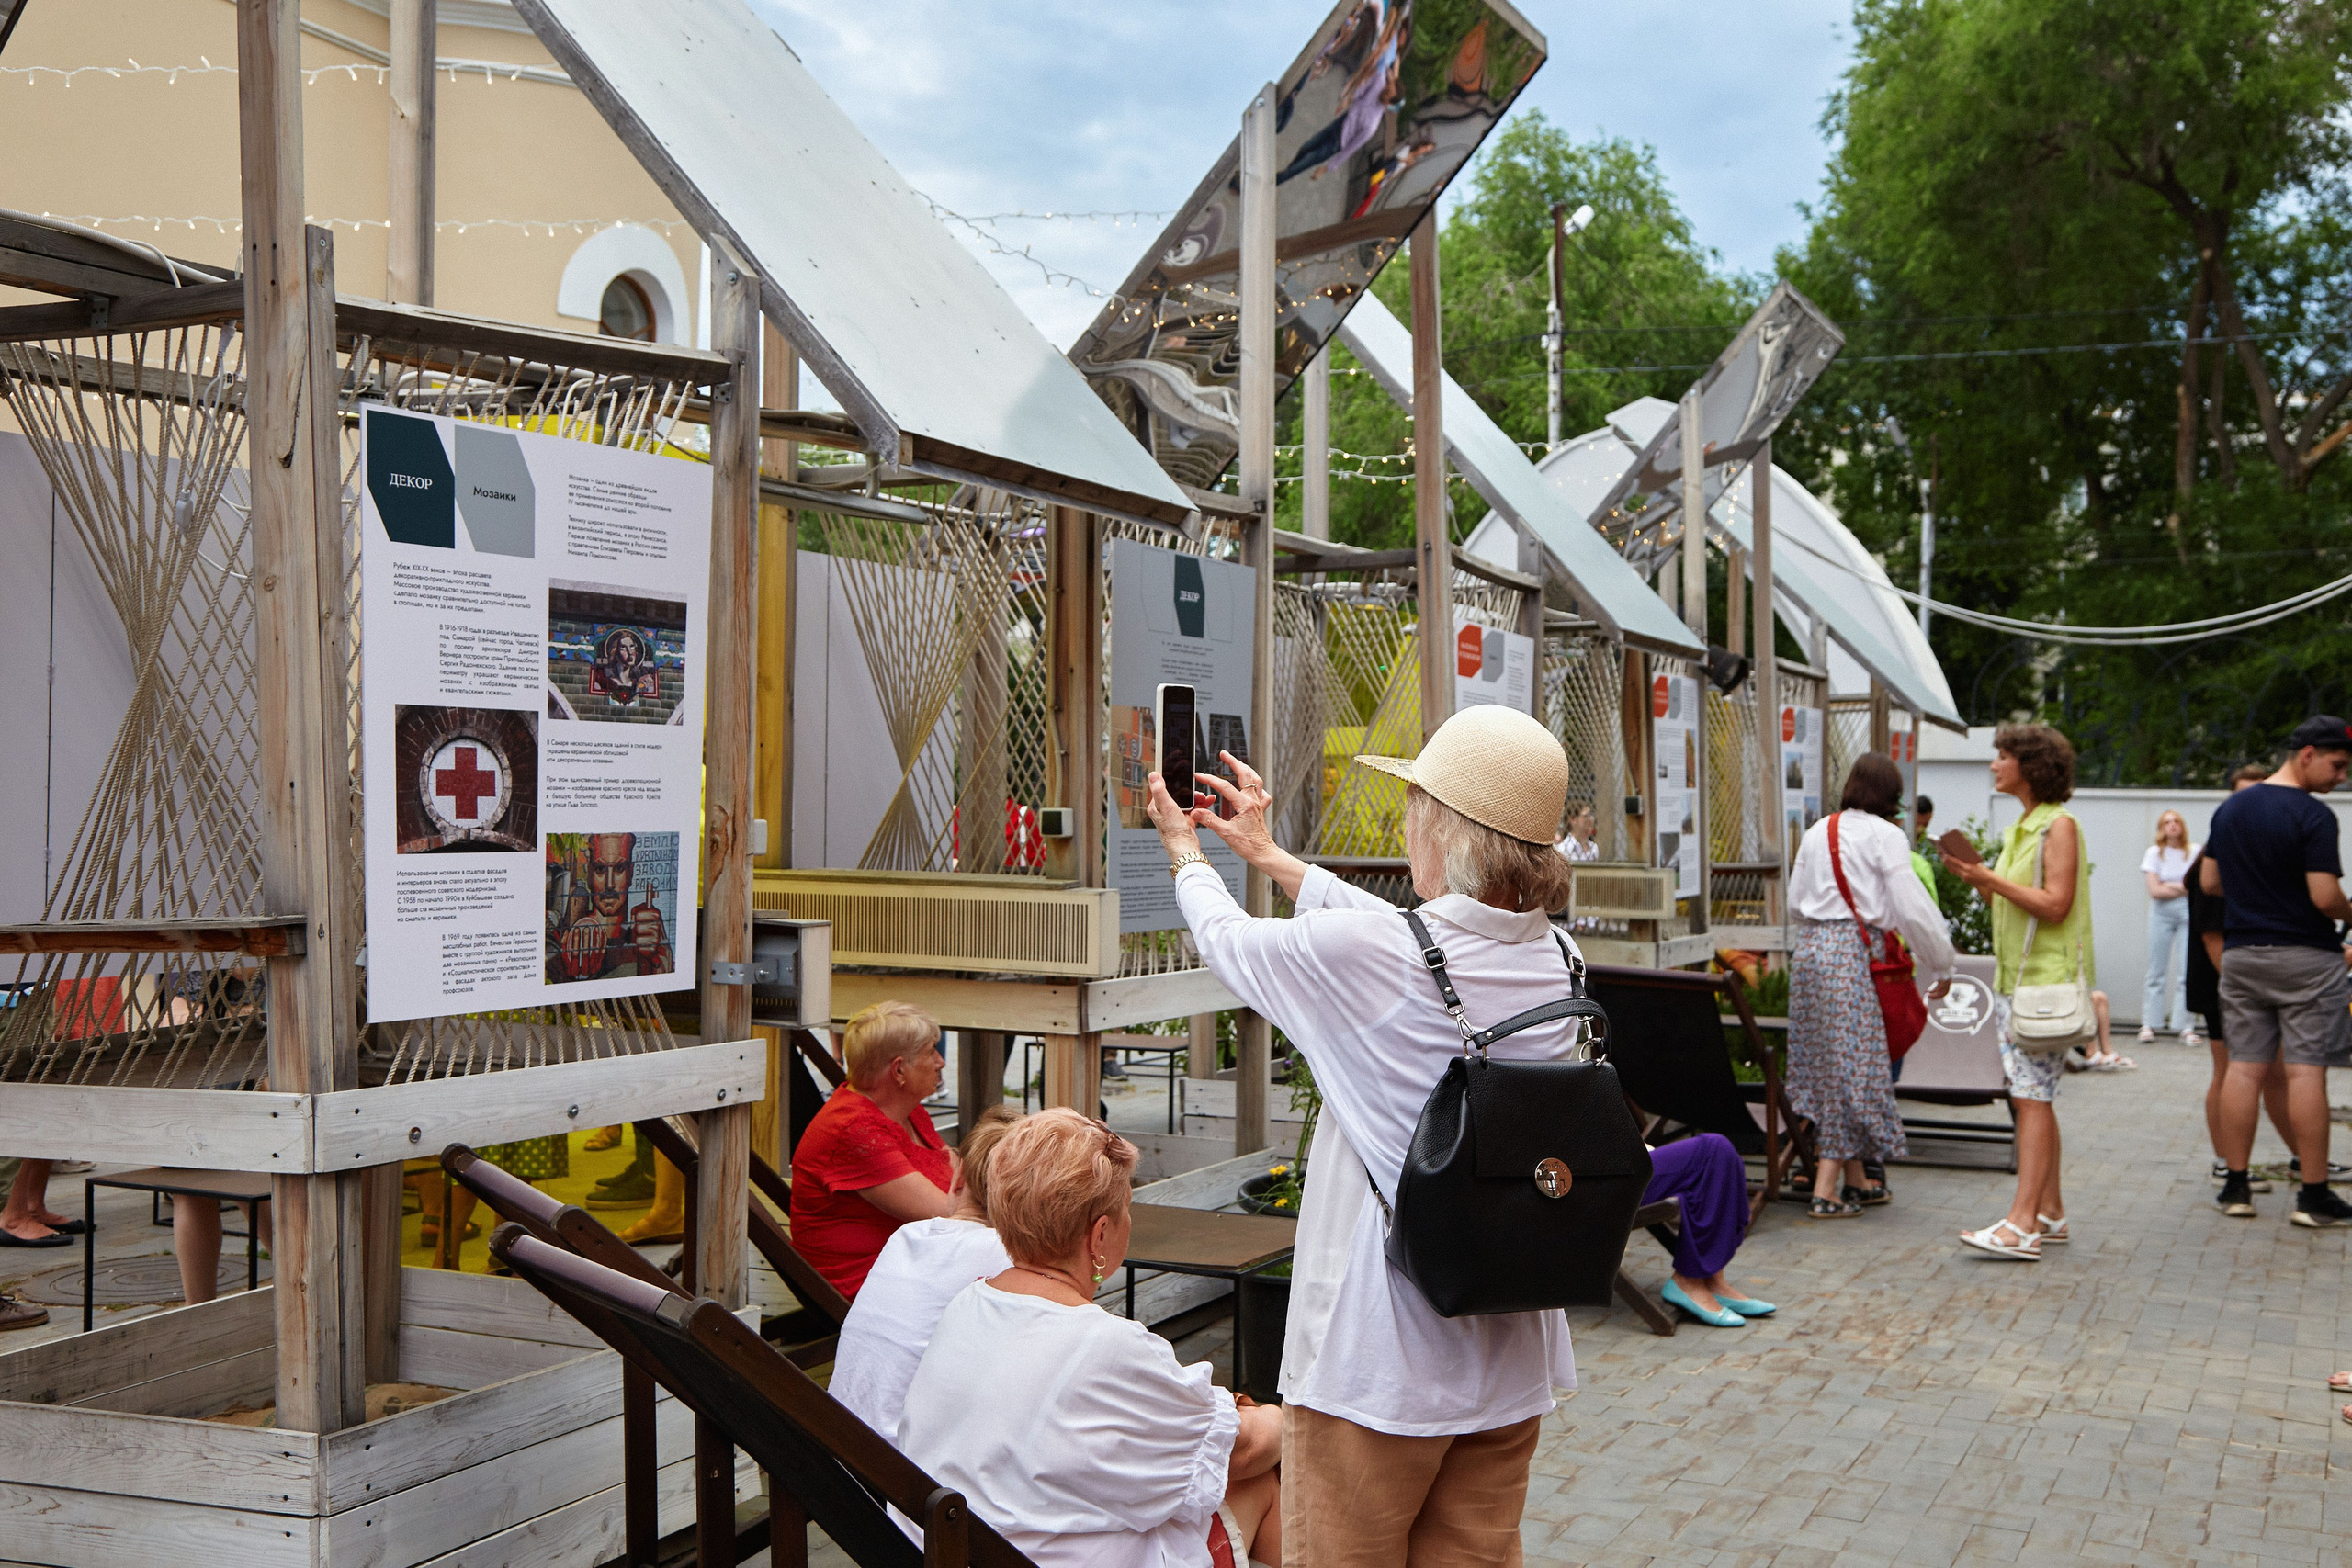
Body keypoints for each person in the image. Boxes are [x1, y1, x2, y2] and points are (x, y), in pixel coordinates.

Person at [1147, 705, 1595, 1563]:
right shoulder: (1559, 959)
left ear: (1445, 832)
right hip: (1509, 1351)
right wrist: (1270, 856)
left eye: (1415, 809)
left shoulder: (1376, 959)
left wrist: (1184, 849)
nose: (1404, 828)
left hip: (1381, 1367)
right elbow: (1410, 937)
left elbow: (1229, 941)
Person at [897, 1110, 1283, 1567]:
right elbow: (1243, 1451)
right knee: (1258, 1479)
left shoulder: (967, 1304)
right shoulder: (1104, 1345)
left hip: (944, 1548)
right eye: (1126, 1210)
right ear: (1100, 1234)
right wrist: (1281, 1418)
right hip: (1037, 1555)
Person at [1786, 754, 1958, 1219]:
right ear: (1892, 796)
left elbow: (1795, 903)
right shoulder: (1887, 836)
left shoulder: (1817, 830)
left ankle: (1858, 1180)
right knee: (1853, 1068)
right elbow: (1912, 908)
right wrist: (1943, 963)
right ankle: (1825, 1191)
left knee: (1826, 1064)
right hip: (1854, 956)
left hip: (1810, 953)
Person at [1944, 723, 2092, 1260]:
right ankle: (2048, 1211)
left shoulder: (2058, 826)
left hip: (2044, 986)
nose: (1994, 765)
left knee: (2031, 1098)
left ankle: (2022, 1224)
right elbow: (2015, 906)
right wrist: (1981, 881)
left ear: (2029, 766)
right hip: (2019, 983)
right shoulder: (2024, 828)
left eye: (2002, 756)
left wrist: (1990, 879)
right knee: (2034, 1095)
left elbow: (2055, 904)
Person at [2201, 716, 2352, 1228]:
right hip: (2306, 957)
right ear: (2307, 754)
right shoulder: (2314, 816)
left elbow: (2210, 881)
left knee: (2243, 1069)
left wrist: (2256, 891)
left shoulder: (2231, 809)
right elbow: (2325, 897)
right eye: (2337, 765)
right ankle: (2314, 1197)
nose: (2341, 778)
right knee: (2305, 1071)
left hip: (2243, 955)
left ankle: (2235, 1187)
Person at [830, 1104, 1019, 1446]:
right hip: (906, 1466)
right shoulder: (1007, 1258)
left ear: (958, 1179)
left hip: (839, 1448)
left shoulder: (906, 1238)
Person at [790, 1000, 958, 1296]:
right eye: (932, 1051)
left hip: (915, 1264)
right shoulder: (854, 1129)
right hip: (874, 1285)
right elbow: (950, 1215)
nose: (940, 1062)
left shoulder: (904, 1107)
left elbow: (963, 1178)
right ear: (899, 1070)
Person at [2188, 764, 2296, 1206]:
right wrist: (2238, 989)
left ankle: (2302, 1160)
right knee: (2231, 1071)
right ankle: (2226, 1164)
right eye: (2243, 796)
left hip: (2242, 982)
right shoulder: (2217, 859)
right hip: (2223, 982)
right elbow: (2212, 935)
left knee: (2272, 1073)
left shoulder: (2255, 854)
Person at [1641, 1133, 1778, 1327]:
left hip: (1620, 1159)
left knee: (1721, 1154)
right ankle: (1688, 1281)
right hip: (1605, 1178)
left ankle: (1713, 1280)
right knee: (1713, 1151)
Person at [2140, 810, 2199, 1044]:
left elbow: (2196, 886)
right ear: (2161, 828)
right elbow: (2155, 891)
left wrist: (2169, 884)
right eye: (2167, 822)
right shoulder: (2154, 853)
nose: (2172, 825)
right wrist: (2182, 886)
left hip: (2188, 913)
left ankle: (2185, 1026)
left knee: (2186, 971)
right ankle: (2149, 1023)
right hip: (2161, 914)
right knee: (2156, 969)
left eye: (2176, 821)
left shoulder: (2194, 851)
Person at [1555, 798, 1600, 862]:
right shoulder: (1563, 849)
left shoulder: (1593, 848)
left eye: (1591, 815)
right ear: (1573, 820)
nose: (1590, 819)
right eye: (1586, 816)